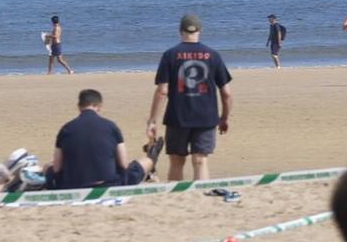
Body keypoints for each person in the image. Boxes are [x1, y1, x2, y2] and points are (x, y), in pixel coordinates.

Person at [147, 13, 233, 181]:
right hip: (206, 117)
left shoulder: (170, 55)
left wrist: (152, 120)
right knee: (200, 161)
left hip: (178, 116)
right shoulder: (213, 55)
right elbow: (227, 93)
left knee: (177, 161)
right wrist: (225, 117)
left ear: (180, 31)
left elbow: (162, 91)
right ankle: (200, 200)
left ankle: (176, 198)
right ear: (200, 30)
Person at [51, 88, 129, 190]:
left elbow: (57, 167)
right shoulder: (111, 126)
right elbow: (123, 164)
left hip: (73, 184)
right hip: (108, 183)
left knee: (47, 167)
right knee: (146, 162)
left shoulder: (66, 128)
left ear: (79, 107)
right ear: (99, 106)